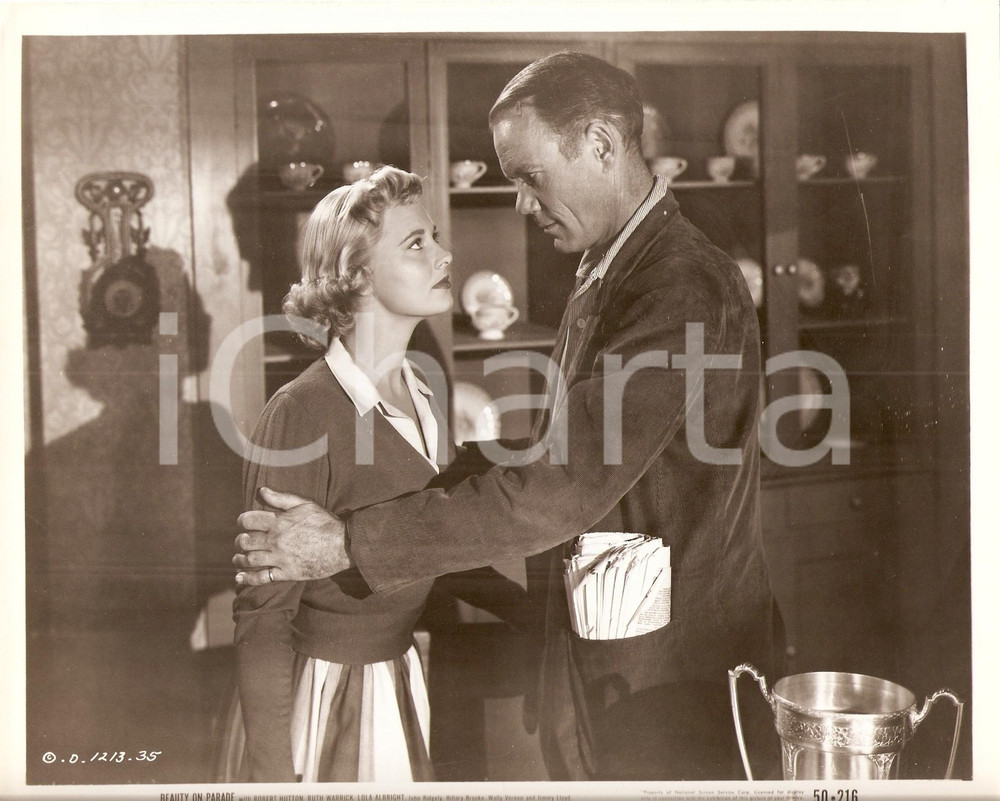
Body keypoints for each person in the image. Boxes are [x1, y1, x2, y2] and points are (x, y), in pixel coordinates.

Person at [234, 53, 779, 780]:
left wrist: (347, 542)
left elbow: (564, 481)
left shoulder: (675, 282)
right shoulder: (611, 265)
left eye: (529, 174)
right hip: (620, 660)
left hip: (667, 679)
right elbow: (575, 447)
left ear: (601, 145)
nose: (520, 201)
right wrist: (445, 473)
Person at [220, 166, 527, 783]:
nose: (445, 254)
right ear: (357, 274)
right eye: (417, 243)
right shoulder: (300, 412)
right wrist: (275, 778)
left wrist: (538, 613)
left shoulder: (424, 393)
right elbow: (262, 621)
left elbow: (432, 545)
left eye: (436, 236)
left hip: (396, 678)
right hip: (322, 702)